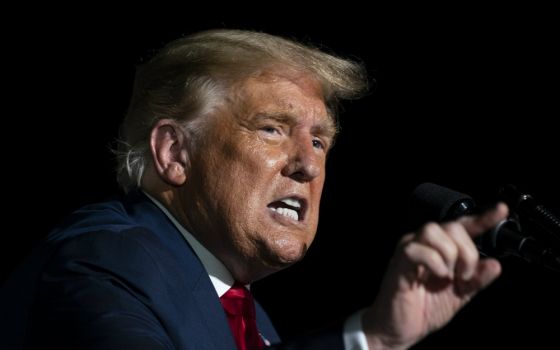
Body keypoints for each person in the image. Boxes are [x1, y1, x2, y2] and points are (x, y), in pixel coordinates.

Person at [0, 29, 508, 349]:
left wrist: (377, 337)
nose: (308, 165)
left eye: (319, 140)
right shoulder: (105, 261)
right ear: (175, 153)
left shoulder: (249, 314)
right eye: (271, 128)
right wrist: (366, 336)